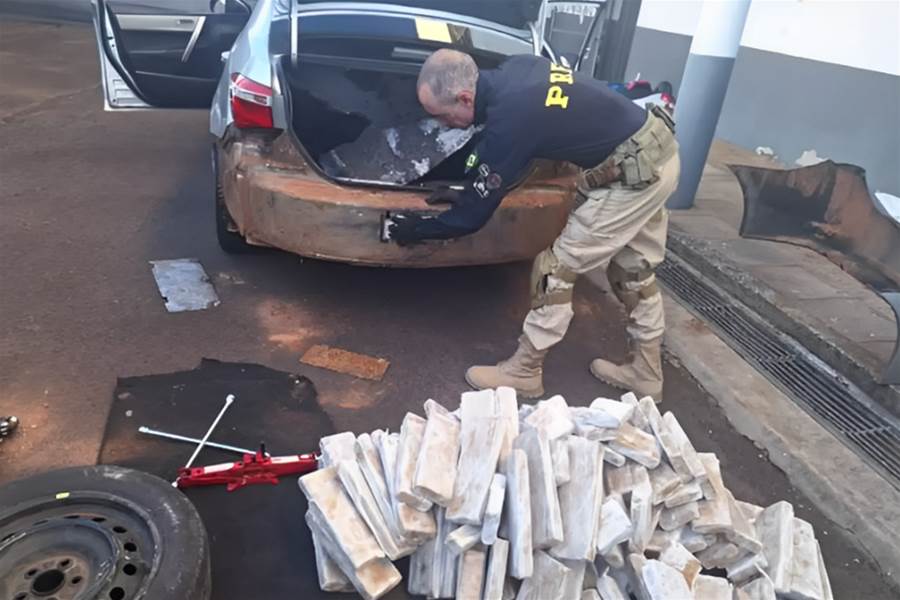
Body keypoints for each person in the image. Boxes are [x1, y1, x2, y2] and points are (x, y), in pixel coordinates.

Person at [388, 49, 679, 401]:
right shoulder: (517, 67)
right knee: (634, 271)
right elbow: (502, 158)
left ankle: (524, 371)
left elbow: (472, 218)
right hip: (657, 152)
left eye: (443, 115)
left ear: (464, 98)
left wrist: (419, 229)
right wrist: (465, 189)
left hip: (635, 174)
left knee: (555, 270)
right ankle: (646, 374)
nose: (445, 124)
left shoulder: (512, 119)